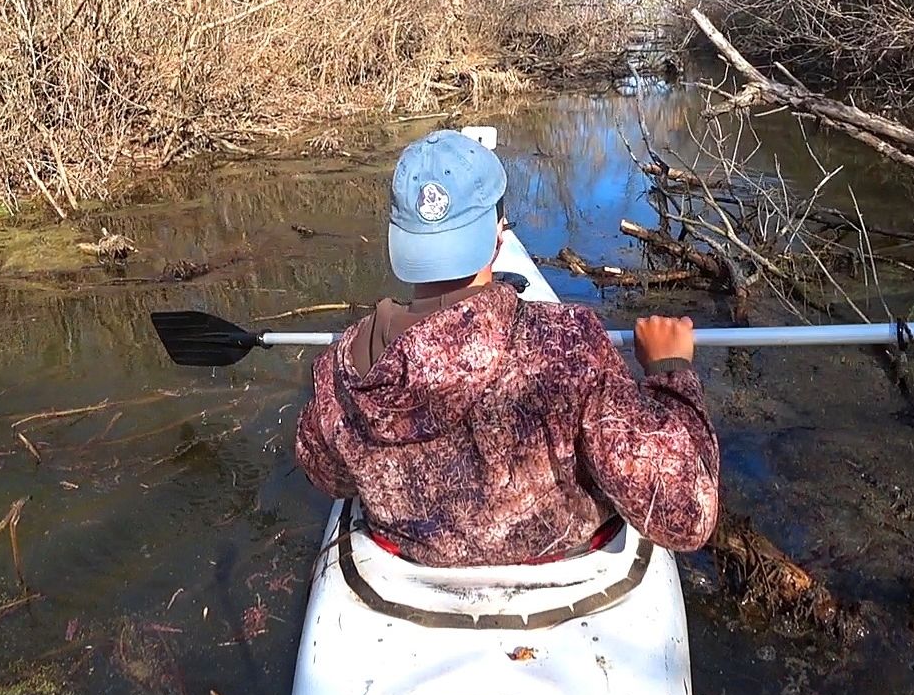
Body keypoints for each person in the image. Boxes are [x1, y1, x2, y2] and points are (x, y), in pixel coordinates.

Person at [294, 129, 721, 567]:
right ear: (499, 235)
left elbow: (326, 472)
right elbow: (687, 517)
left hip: (413, 566)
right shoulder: (569, 344)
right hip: (567, 566)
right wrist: (670, 372)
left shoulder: (344, 367)